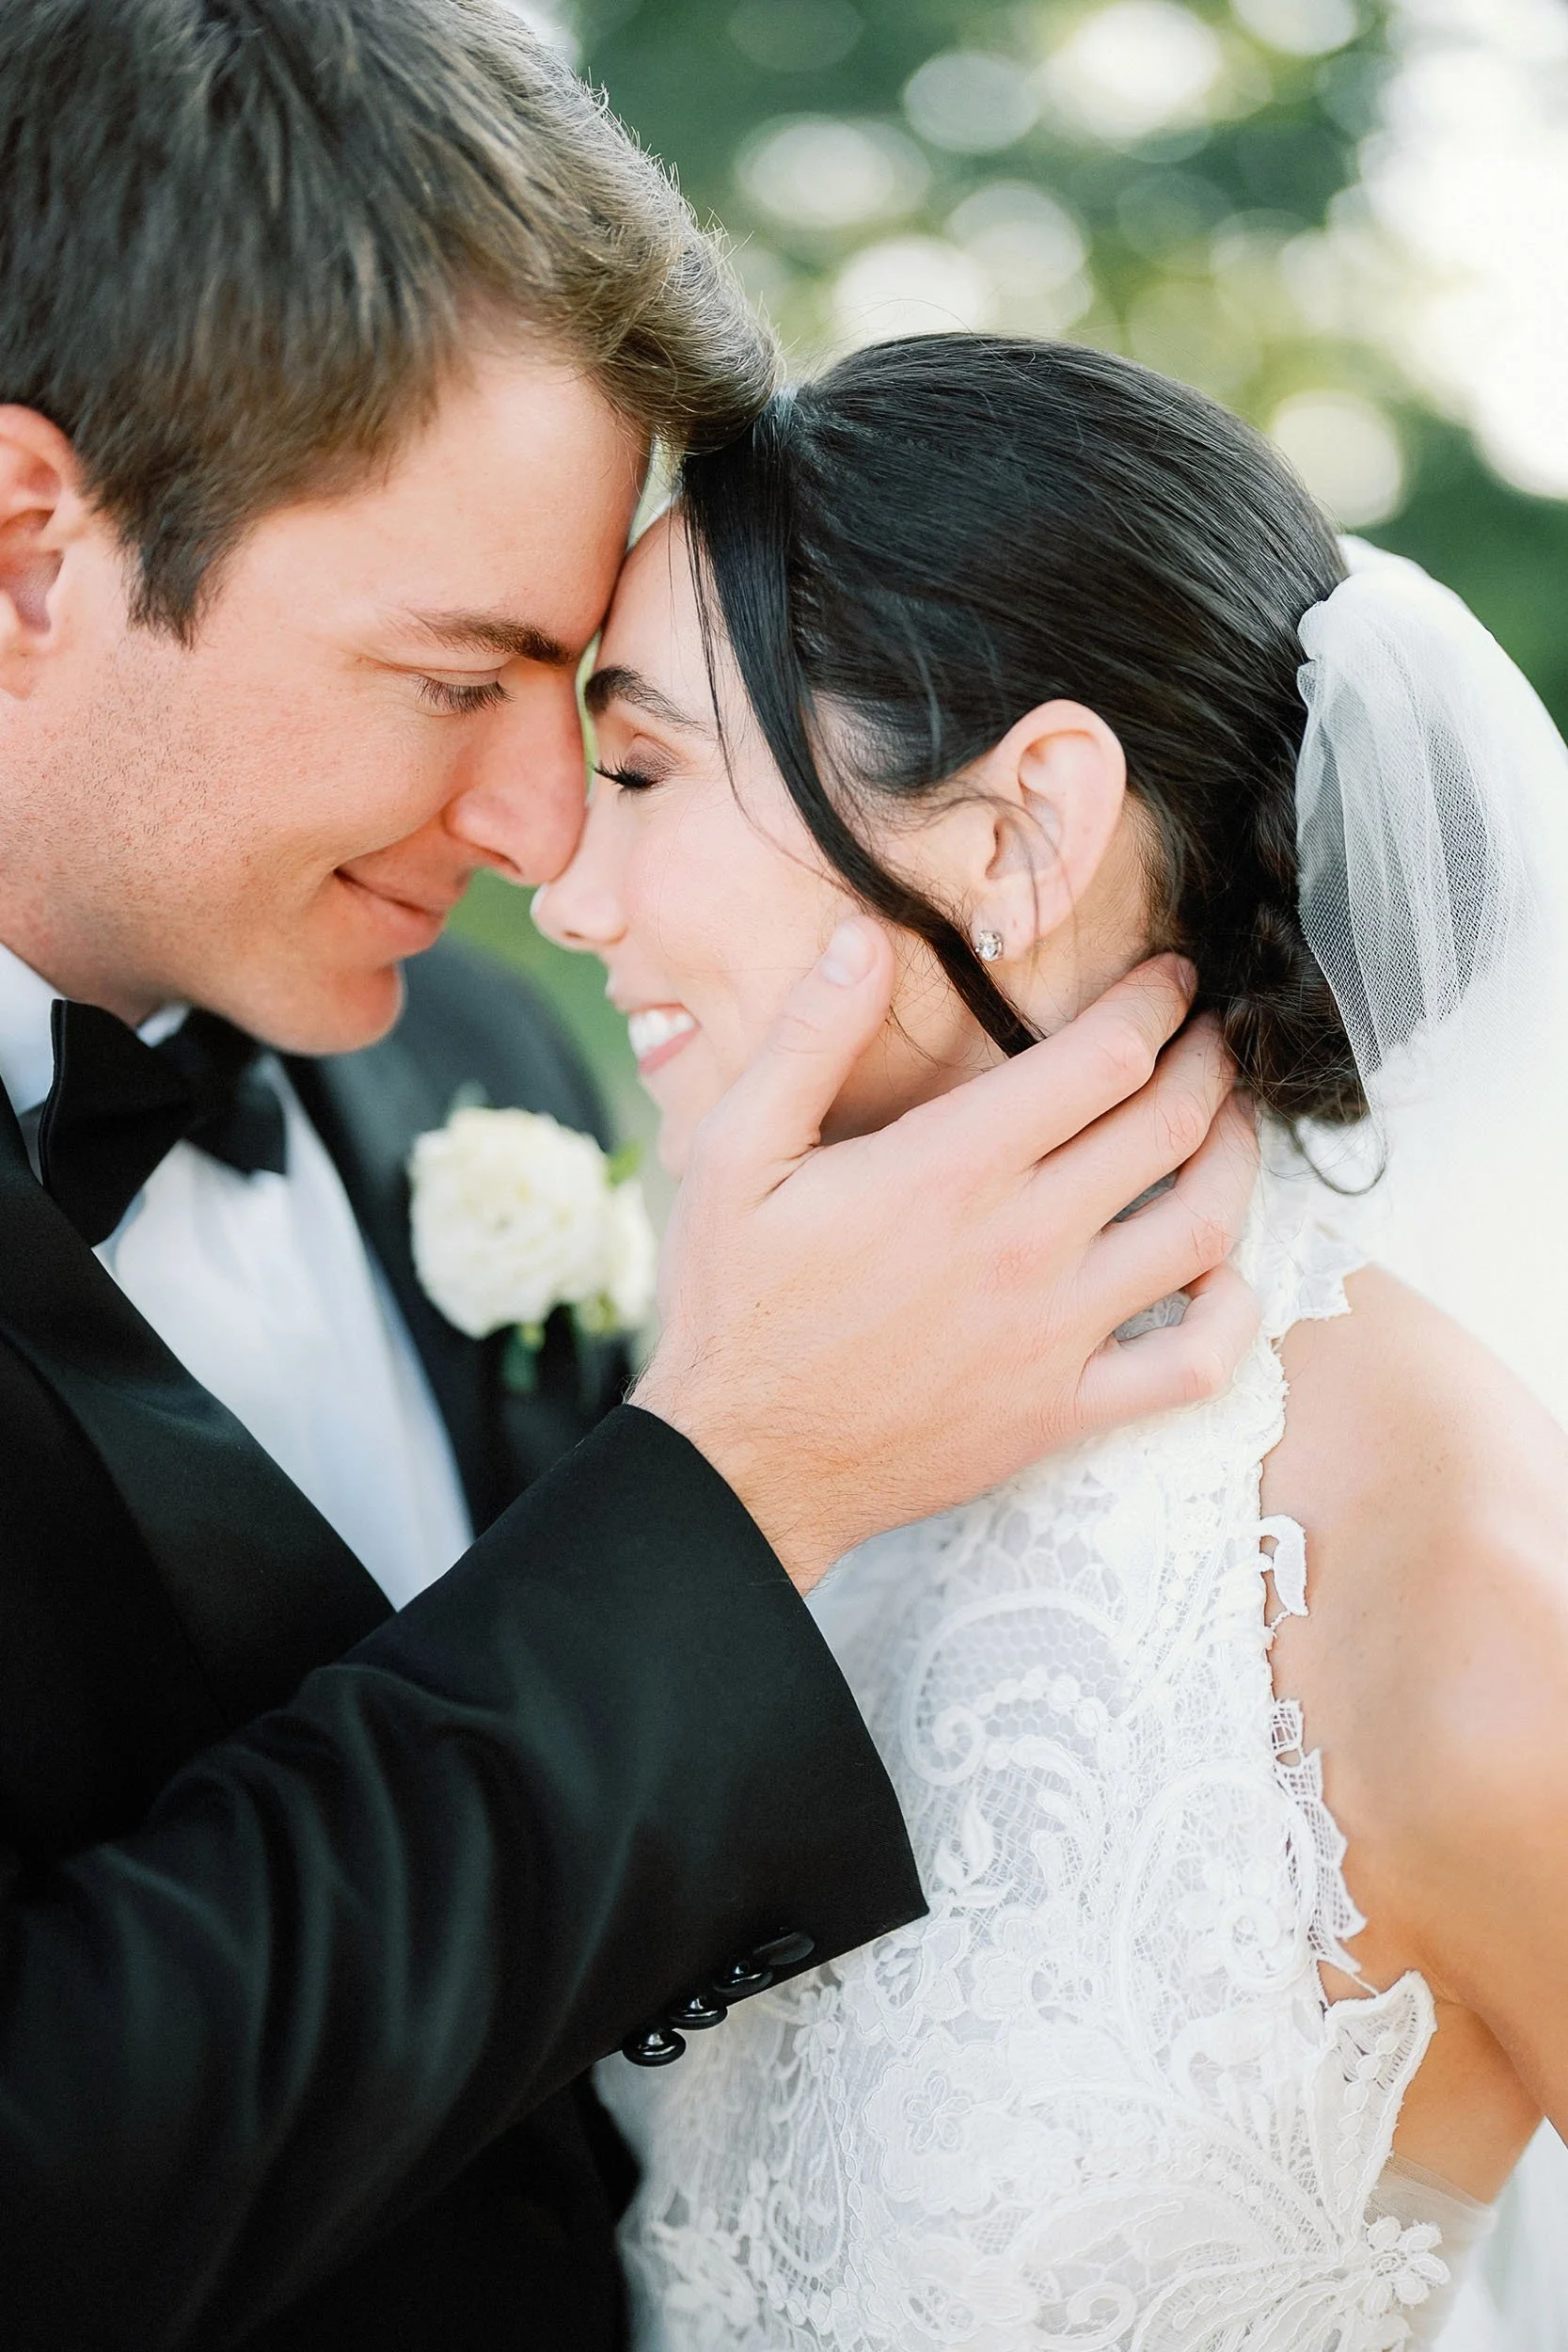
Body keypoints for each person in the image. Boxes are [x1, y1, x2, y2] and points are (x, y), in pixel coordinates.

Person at [0, 9, 1259, 2348]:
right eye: (452, 674)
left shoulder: (459, 1052)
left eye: (580, 703)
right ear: (31, 553)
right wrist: (723, 1488)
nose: (544, 832)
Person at [539, 335, 1568, 2349]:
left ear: (1017, 825)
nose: (569, 888)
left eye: (643, 769)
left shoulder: (1445, 1580)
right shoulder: (772, 1409)